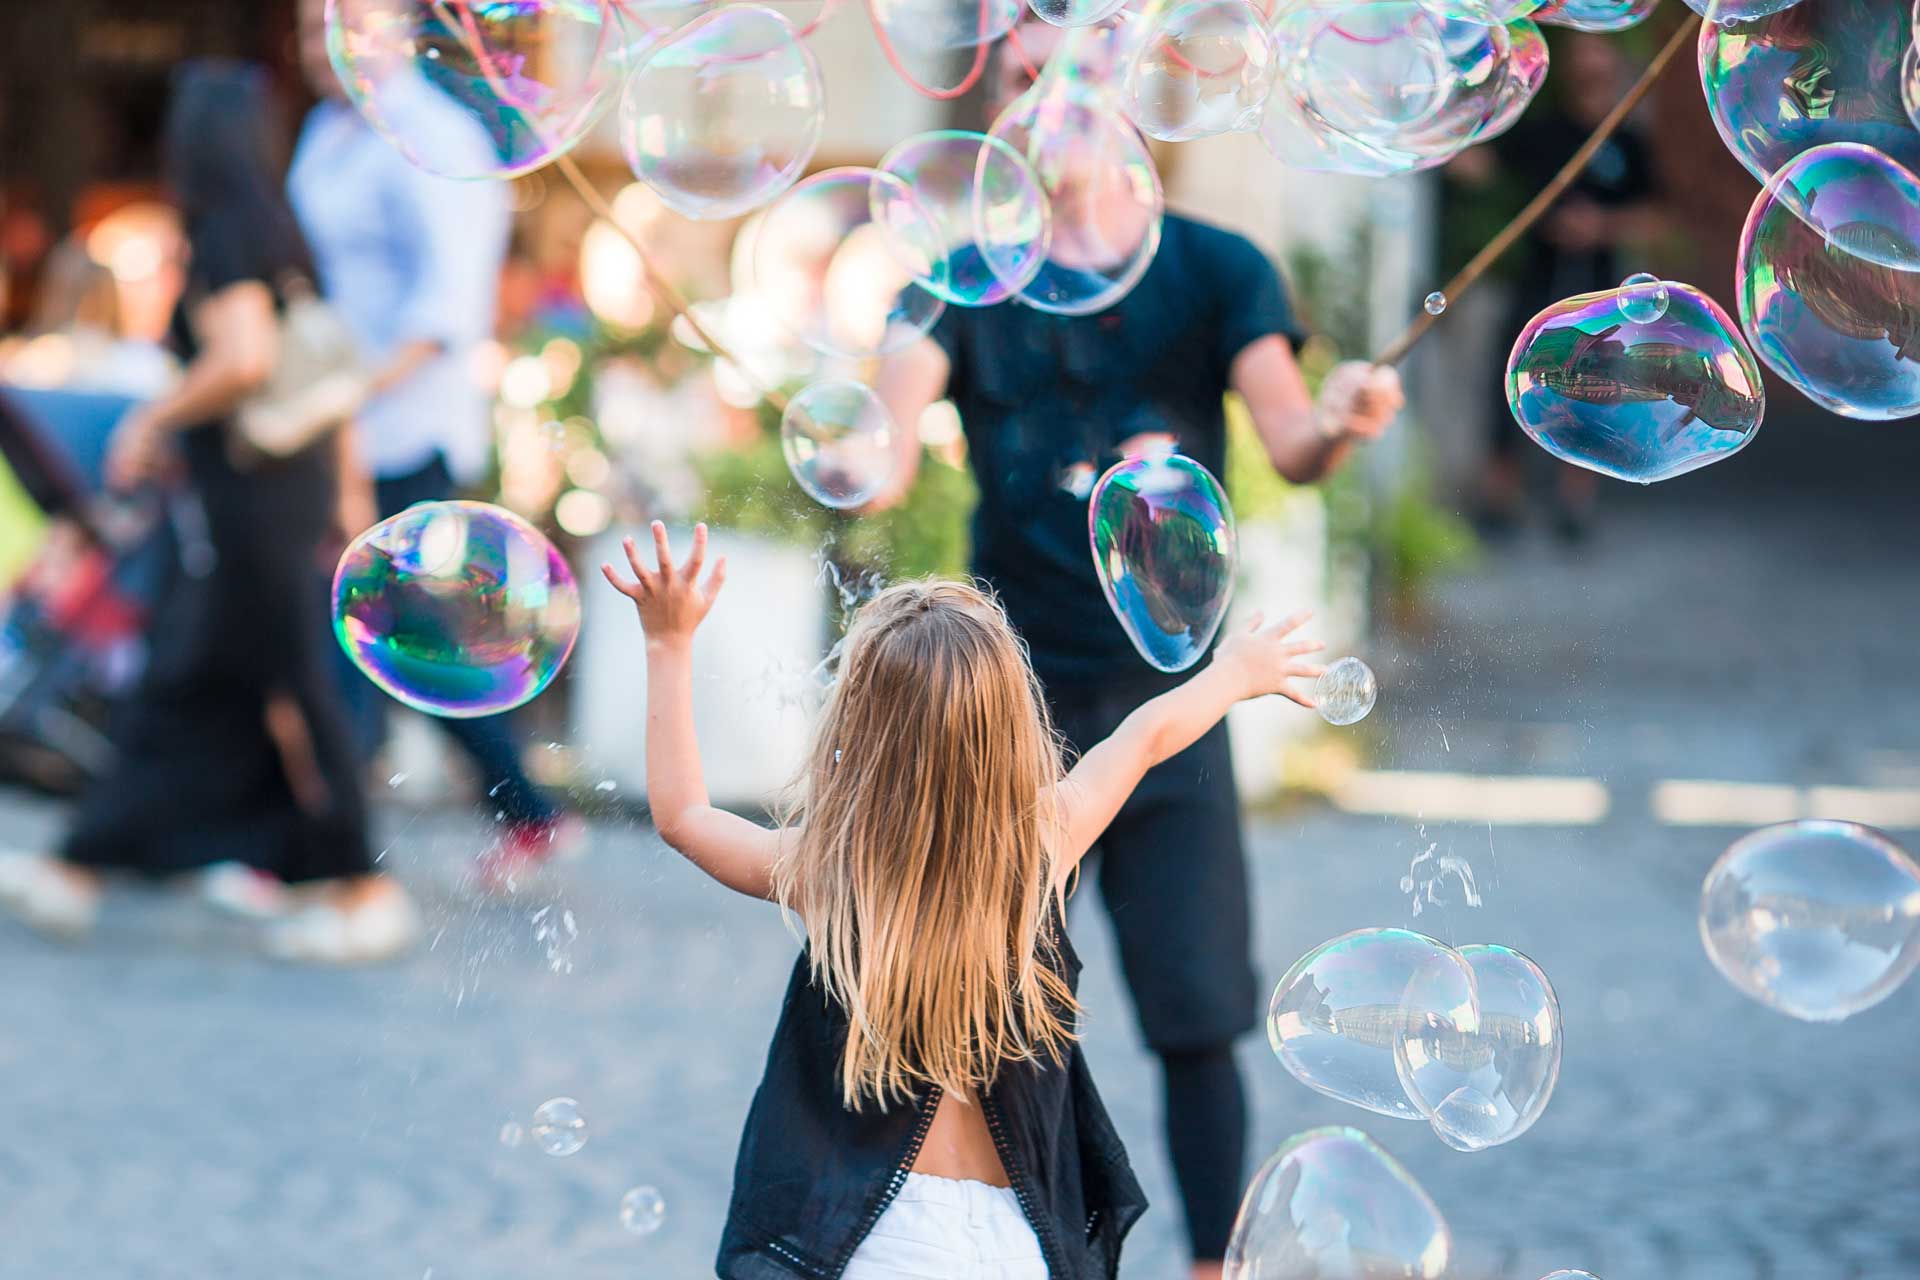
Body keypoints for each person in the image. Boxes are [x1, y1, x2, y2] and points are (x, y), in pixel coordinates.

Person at [872, 21, 1404, 1276]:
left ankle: (1212, 1266)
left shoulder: (1216, 269)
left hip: (1172, 699)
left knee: (1197, 1010)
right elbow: (883, 444)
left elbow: (1290, 438)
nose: (1048, 81)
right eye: (1018, 63)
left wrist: (1340, 417)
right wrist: (849, 434)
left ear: (1125, 94)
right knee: (987, 1010)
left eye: (1078, 57)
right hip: (1007, 716)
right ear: (995, 103)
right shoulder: (956, 280)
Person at [600, 522, 1329, 1280]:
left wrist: (668, 643)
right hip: (1016, 1243)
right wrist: (1238, 672)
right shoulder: (1039, 843)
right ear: (1013, 728)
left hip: (872, 1239)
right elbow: (1143, 736)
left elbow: (684, 816)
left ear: (857, 731)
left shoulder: (832, 870)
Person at [0, 62, 418, 960]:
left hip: (248, 502)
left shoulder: (224, 229)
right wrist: (342, 492)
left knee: (274, 682)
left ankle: (362, 887)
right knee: (203, 678)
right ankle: (90, 864)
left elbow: (245, 357)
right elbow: (322, 372)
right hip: (275, 491)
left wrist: (152, 418)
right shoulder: (277, 225)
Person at [288, 0, 575, 885]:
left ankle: (329, 854)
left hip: (402, 426)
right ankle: (513, 812)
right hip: (334, 424)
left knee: (382, 631)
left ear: (404, 30)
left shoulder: (440, 138)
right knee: (386, 631)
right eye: (305, 30)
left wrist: (334, 397)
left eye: (339, 26)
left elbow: (446, 311)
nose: (318, 47)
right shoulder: (326, 131)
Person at [1451, 31, 1664, 540]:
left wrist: (1601, 226)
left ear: (1613, 66)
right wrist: (1439, 135)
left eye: (1598, 54)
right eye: (1581, 55)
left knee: (1594, 392)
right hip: (1537, 284)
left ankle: (1575, 505)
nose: (1589, 63)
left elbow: (1656, 216)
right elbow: (1480, 167)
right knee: (1513, 381)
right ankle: (1500, 498)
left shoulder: (1627, 140)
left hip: (1604, 292)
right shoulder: (1545, 133)